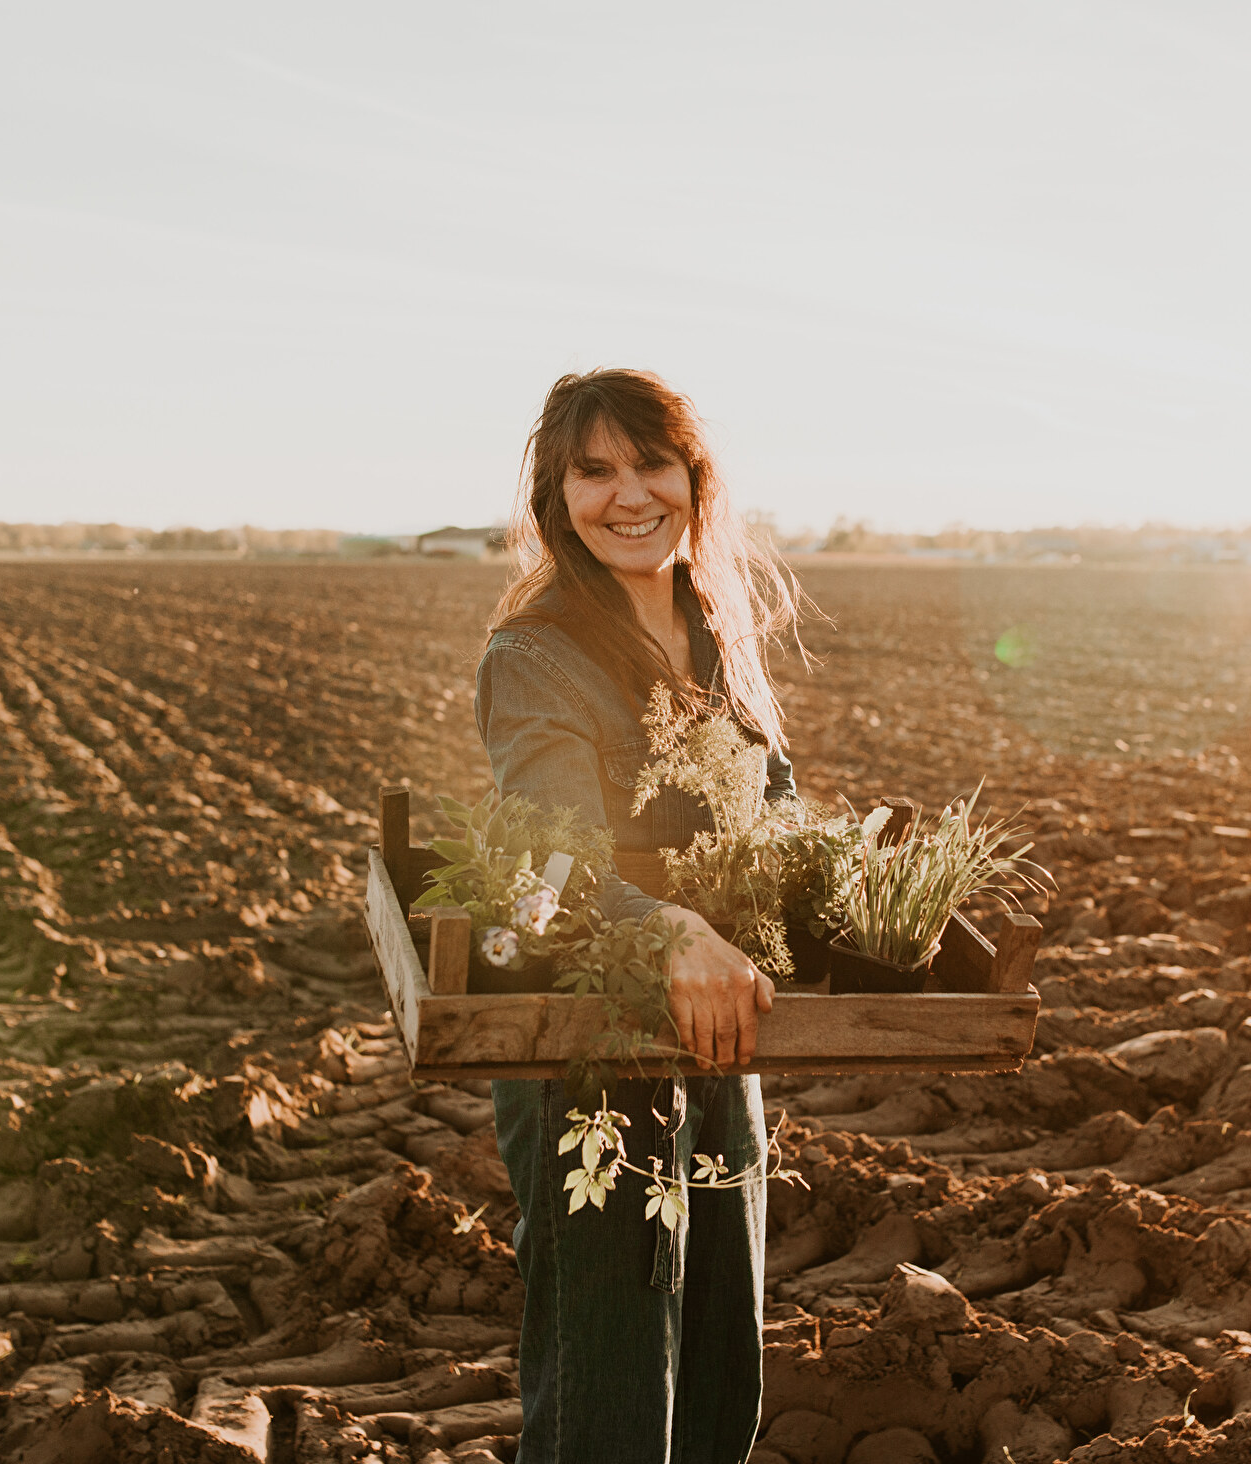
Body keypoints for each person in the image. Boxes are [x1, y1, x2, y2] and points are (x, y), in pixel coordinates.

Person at [474, 368, 806, 1463]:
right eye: (594, 471)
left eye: (650, 464)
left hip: (720, 1042)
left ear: (693, 480)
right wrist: (672, 930)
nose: (628, 494)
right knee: (610, 1397)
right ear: (555, 498)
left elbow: (778, 809)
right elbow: (545, 867)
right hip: (590, 1050)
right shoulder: (538, 655)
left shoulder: (720, 636)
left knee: (717, 1382)